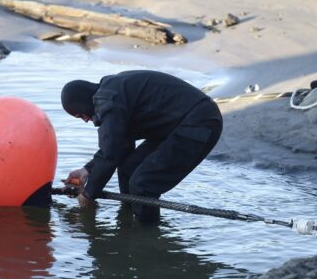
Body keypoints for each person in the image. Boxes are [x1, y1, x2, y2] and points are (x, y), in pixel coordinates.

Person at [61, 70, 223, 223]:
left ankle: (147, 236)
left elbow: (110, 153)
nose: (85, 120)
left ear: (83, 103)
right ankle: (129, 220)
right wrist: (87, 170)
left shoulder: (107, 101)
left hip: (200, 122)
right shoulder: (111, 93)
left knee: (143, 184)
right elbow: (117, 146)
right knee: (128, 168)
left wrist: (88, 194)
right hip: (178, 125)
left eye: (81, 114)